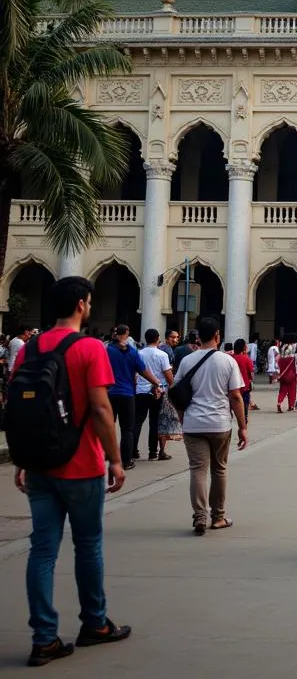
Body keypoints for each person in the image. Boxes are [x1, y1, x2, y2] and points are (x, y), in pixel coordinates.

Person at [11, 276, 132, 666]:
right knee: (88, 545)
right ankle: (94, 623)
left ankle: (44, 637)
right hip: (79, 465)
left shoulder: (28, 348)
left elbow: (18, 408)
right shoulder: (89, 348)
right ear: (82, 304)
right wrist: (115, 458)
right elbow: (100, 409)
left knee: (42, 550)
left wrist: (22, 459)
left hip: (40, 465)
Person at [174, 316, 248, 535]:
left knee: (198, 470)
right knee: (219, 469)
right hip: (219, 424)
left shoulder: (187, 361)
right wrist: (243, 426)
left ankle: (199, 517)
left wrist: (182, 418)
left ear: (198, 337)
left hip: (193, 423)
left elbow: (177, 393)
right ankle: (218, 516)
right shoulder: (227, 361)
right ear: (218, 335)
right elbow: (235, 396)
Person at [106, 323, 163, 470]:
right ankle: (126, 461)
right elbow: (143, 371)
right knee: (127, 429)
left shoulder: (108, 350)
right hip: (127, 394)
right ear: (127, 333)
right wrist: (156, 382)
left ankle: (107, 454)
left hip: (110, 393)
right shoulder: (132, 352)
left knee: (108, 426)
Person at [134, 329, 173, 462]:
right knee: (155, 422)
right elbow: (168, 375)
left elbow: (135, 373)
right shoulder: (162, 355)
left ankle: (133, 450)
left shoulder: (138, 353)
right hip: (158, 391)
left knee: (138, 421)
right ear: (158, 339)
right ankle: (153, 452)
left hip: (140, 391)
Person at [231, 339, 255, 420]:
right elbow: (251, 374)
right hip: (244, 387)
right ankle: (244, 421)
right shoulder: (247, 359)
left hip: (232, 388)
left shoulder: (231, 358)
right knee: (244, 408)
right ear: (244, 348)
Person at [277, 340, 297, 412]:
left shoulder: (281, 356)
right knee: (292, 390)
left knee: (282, 390)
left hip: (283, 374)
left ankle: (279, 402)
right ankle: (291, 405)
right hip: (291, 374)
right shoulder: (292, 356)